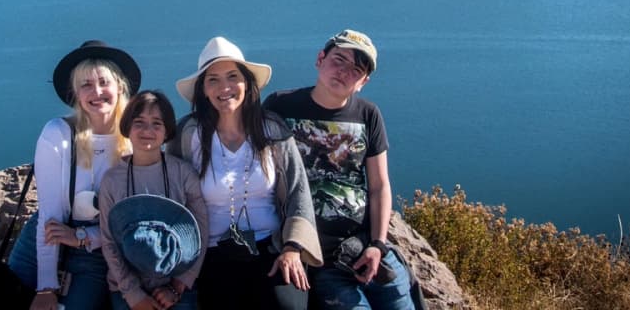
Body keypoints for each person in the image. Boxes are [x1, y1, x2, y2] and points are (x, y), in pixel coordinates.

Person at [264, 30, 418, 310]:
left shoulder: (368, 115)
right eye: (339, 60)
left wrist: (378, 245)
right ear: (320, 59)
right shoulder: (280, 106)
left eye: (356, 70)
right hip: (319, 254)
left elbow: (379, 185)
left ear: (363, 82)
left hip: (364, 246)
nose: (344, 72)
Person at [167, 36, 323, 310]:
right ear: (203, 89)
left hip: (272, 248)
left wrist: (293, 248)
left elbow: (299, 191)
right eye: (212, 79)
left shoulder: (272, 130)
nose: (224, 87)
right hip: (212, 252)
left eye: (232, 76)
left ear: (247, 83)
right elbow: (170, 196)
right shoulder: (188, 134)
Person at [8, 40, 142, 310]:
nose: (97, 92)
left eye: (104, 82)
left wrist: (82, 237)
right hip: (43, 246)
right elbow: (50, 216)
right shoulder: (58, 134)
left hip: (95, 252)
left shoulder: (135, 141)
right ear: (76, 93)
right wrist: (46, 287)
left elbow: (130, 222)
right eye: (86, 85)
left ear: (120, 86)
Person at [98, 90, 208, 310]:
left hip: (175, 288)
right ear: (127, 127)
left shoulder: (183, 173)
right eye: (139, 122)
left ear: (167, 131)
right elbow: (109, 241)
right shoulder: (112, 180)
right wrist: (133, 294)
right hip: (126, 290)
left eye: (157, 123)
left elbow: (201, 230)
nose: (148, 130)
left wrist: (178, 286)